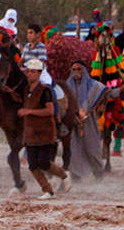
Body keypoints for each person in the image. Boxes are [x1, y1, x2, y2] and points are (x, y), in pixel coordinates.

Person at [19, 58, 71, 200]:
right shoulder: (25, 90)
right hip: (30, 133)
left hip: (44, 131)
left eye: (32, 72)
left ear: (39, 73)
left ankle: (63, 175)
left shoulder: (45, 91)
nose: (29, 74)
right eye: (28, 71)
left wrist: (29, 112)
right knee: (33, 165)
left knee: (44, 163)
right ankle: (48, 190)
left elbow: (49, 110)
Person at [65, 60, 108, 180]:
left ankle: (99, 177)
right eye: (73, 70)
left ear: (84, 71)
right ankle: (76, 178)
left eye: (79, 69)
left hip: (90, 123)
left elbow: (108, 93)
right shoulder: (66, 87)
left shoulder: (94, 86)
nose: (76, 72)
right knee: (73, 151)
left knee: (93, 150)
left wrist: (122, 89)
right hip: (73, 124)